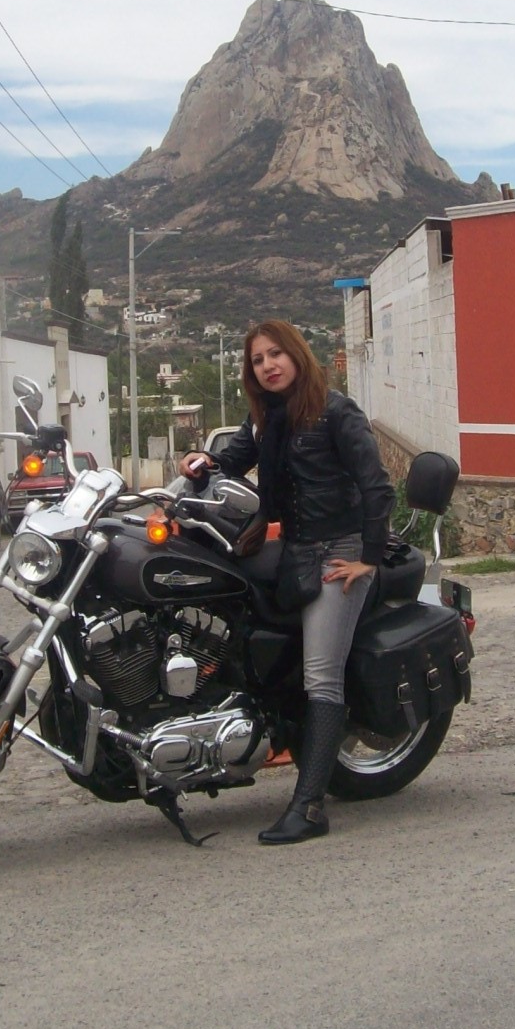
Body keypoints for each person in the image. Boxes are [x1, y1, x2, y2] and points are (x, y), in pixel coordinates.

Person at [179, 319, 395, 846]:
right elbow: (234, 457)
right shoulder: (268, 418)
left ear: (297, 354)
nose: (268, 365)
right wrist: (204, 462)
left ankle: (310, 807)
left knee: (322, 676)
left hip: (339, 551)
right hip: (297, 549)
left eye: (276, 354)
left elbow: (376, 486)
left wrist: (368, 558)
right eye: (258, 360)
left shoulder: (337, 411)